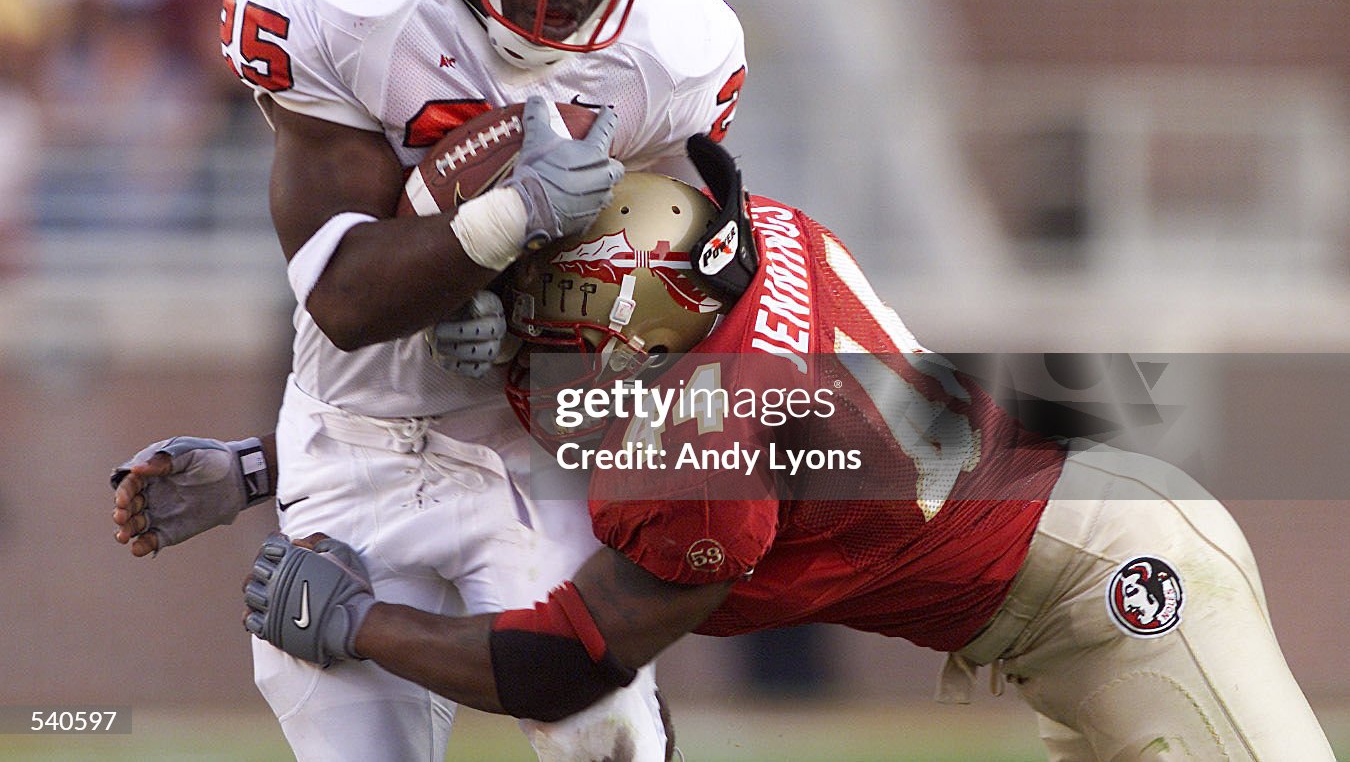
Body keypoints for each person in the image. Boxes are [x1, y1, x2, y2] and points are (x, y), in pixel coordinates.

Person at [240, 136, 1336, 762]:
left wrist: (357, 623)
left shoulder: (707, 443)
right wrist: (264, 468)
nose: (523, 348)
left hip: (1112, 589)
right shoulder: (750, 241)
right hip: (1073, 550)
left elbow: (564, 663)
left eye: (543, 322)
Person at [111, 0, 745, 762]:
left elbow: (655, 300)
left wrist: (526, 312)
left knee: (607, 735)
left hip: (527, 453)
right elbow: (346, 296)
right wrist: (511, 218)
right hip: (352, 452)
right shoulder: (350, 3)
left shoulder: (672, 55)